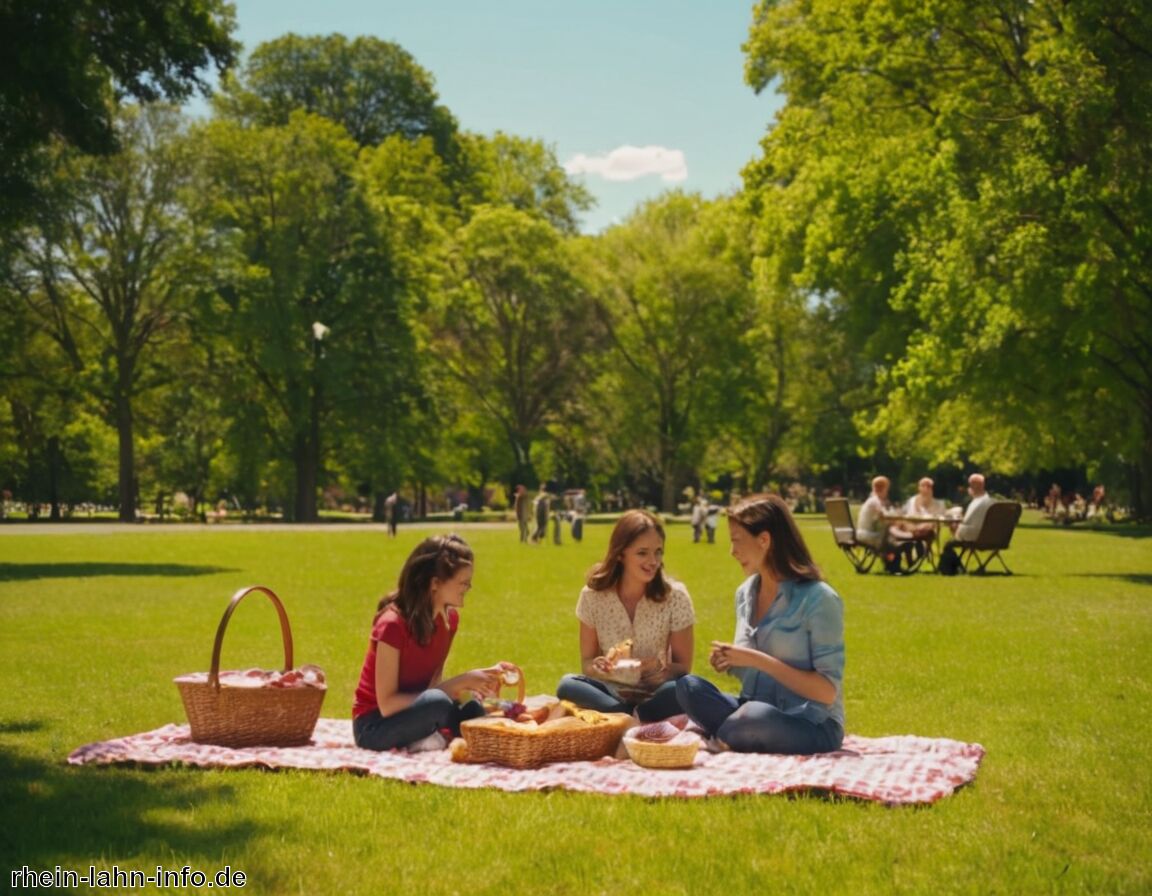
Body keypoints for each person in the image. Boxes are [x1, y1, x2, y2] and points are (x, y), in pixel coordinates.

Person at [676, 494, 844, 754]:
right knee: (689, 687)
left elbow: (827, 693)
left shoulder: (819, 599)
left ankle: (727, 736)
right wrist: (730, 661)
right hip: (753, 707)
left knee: (754, 716)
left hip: (810, 723)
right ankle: (735, 734)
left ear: (764, 540)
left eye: (736, 541)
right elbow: (749, 672)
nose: (732, 551)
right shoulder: (745, 593)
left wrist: (756, 660)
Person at [352, 534, 517, 752]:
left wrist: (480, 678)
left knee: (474, 707)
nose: (468, 587)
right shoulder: (392, 624)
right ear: (435, 583)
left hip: (415, 711)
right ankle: (432, 736)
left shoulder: (449, 621)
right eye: (463, 582)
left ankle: (431, 735)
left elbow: (431, 686)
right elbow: (388, 704)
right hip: (375, 726)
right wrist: (459, 682)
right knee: (438, 703)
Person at [556, 510, 695, 722]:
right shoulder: (592, 596)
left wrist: (656, 668)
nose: (653, 561)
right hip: (610, 691)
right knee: (567, 684)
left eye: (658, 552)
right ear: (620, 554)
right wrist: (600, 667)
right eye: (642, 553)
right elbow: (587, 663)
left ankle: (624, 717)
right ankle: (629, 714)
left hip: (656, 691)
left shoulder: (675, 596)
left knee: (688, 688)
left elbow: (683, 667)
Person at [856, 475, 921, 566]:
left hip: (863, 533)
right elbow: (884, 516)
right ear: (884, 488)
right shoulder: (875, 501)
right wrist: (898, 520)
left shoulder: (872, 500)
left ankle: (906, 558)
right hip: (871, 536)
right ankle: (903, 560)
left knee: (895, 532)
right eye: (887, 488)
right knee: (898, 539)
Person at [903, 476, 945, 541]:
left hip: (928, 530)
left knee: (929, 525)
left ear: (932, 489)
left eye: (928, 486)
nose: (926, 488)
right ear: (918, 488)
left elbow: (940, 519)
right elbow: (906, 516)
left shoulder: (939, 504)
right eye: (923, 486)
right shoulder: (912, 501)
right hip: (912, 528)